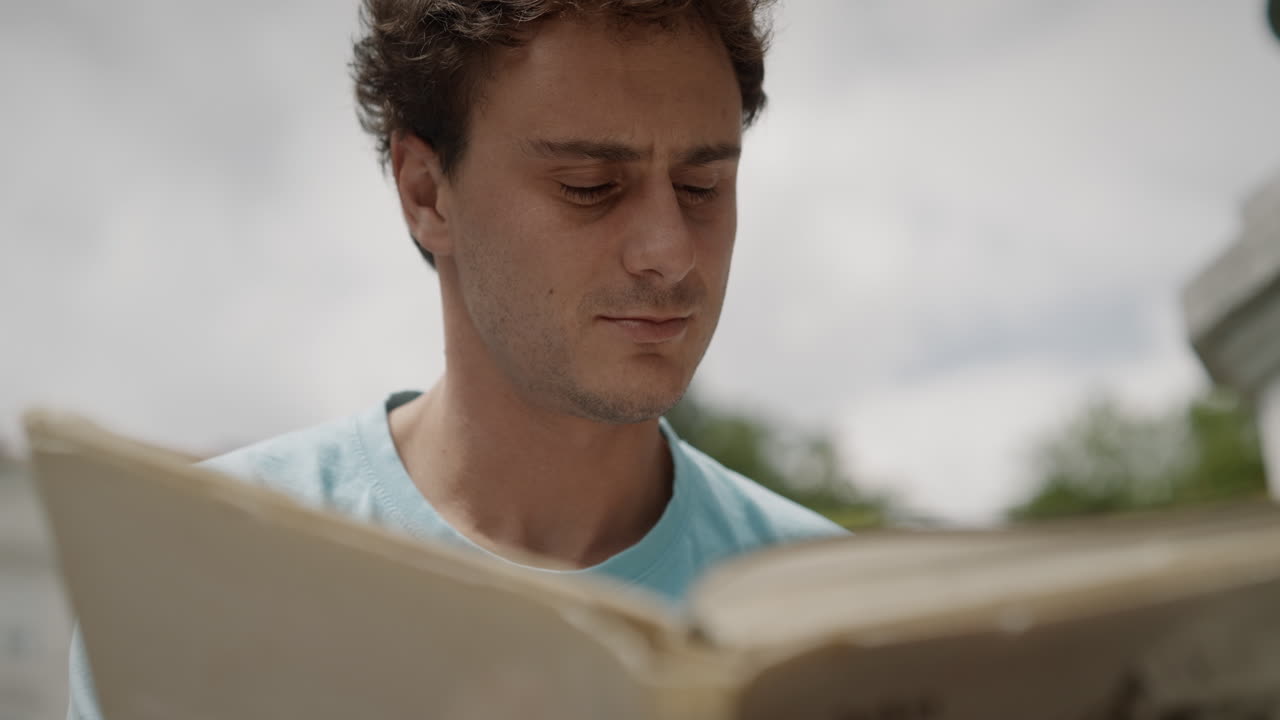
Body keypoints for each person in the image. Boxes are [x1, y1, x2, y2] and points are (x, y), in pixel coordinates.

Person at [66, 1, 846, 717]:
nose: (671, 253)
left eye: (703, 185)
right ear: (427, 193)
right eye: (591, 186)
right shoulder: (200, 576)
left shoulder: (843, 616)